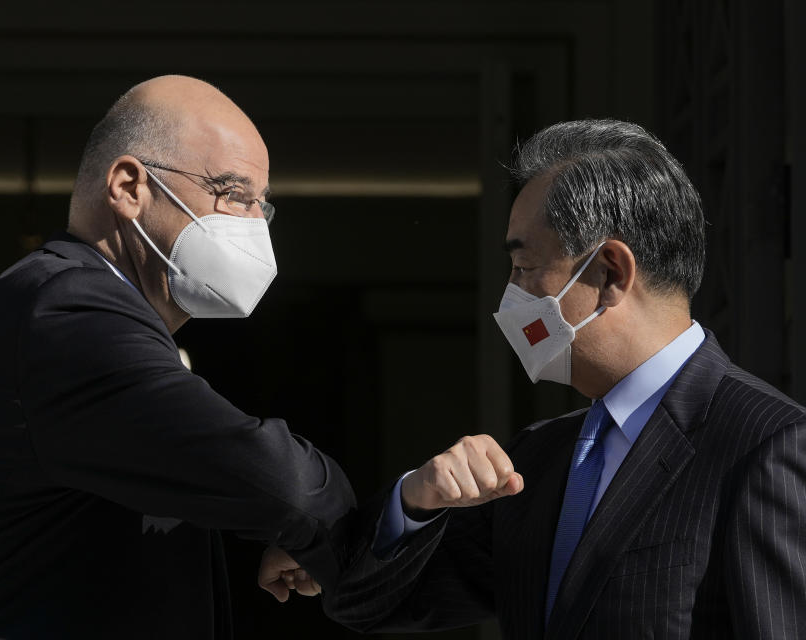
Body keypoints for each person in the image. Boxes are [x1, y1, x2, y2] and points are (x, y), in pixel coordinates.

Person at [261, 119, 806, 638]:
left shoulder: (766, 447)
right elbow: (369, 602)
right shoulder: (540, 462)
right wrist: (414, 503)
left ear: (609, 272)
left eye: (524, 268)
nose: (510, 296)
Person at [0, 75, 354, 639]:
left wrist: (281, 528)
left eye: (261, 208)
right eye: (234, 193)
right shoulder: (69, 308)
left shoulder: (92, 311)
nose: (253, 226)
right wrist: (346, 521)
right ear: (128, 186)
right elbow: (277, 478)